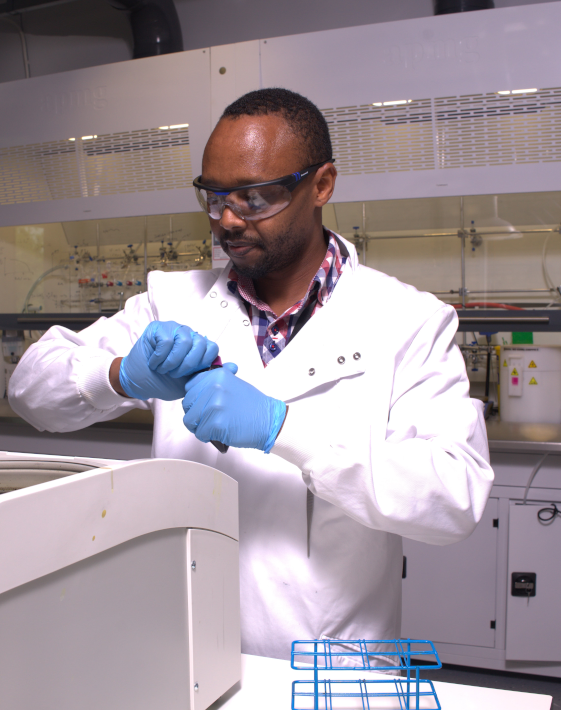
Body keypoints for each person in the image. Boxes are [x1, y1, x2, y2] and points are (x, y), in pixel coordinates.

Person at [9, 88, 493, 664]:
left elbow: (454, 497)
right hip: (183, 657)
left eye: (256, 197)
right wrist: (121, 376)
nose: (229, 220)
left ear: (321, 185)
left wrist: (281, 428)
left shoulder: (407, 320)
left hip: (329, 678)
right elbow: (30, 391)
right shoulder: (173, 302)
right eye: (213, 198)